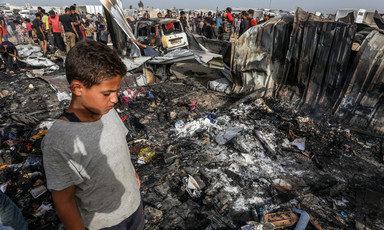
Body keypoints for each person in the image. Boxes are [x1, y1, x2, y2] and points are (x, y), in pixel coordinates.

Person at [42, 39, 144, 230]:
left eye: (116, 91)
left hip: (134, 207)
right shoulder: (59, 142)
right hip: (105, 224)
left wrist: (132, 173)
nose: (115, 98)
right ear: (77, 89)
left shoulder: (108, 112)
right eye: (107, 93)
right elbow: (64, 201)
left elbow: (120, 147)